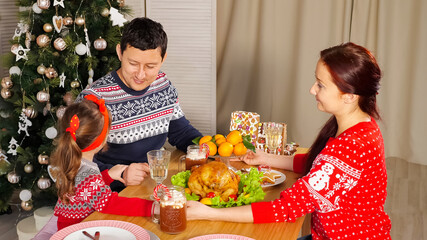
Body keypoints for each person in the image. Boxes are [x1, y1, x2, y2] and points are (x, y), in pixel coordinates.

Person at [187, 42, 392, 240]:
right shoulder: (362, 124)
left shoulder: (351, 147)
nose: (312, 90)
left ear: (349, 96)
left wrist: (208, 212)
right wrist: (266, 158)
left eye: (320, 85)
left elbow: (284, 209)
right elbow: (320, 167)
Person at [77, 17, 202, 191]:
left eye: (151, 66)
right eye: (133, 64)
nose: (141, 75)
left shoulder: (163, 85)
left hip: (149, 183)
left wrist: (208, 145)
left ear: (163, 58)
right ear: (120, 52)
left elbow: (181, 133)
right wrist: (121, 174)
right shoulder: (95, 99)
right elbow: (76, 162)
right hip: (109, 193)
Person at [50, 95, 153, 230]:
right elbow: (110, 203)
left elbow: (82, 189)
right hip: (79, 232)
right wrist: (152, 207)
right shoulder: (87, 171)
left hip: (70, 227)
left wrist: (107, 176)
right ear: (101, 140)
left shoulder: (72, 159)